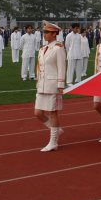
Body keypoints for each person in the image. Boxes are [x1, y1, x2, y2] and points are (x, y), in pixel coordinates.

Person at [34, 21, 67, 152]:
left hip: (52, 84)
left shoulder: (58, 48)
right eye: (44, 32)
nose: (45, 34)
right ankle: (57, 130)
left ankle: (53, 142)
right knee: (38, 113)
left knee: (53, 113)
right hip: (42, 84)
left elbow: (62, 67)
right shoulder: (42, 49)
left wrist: (60, 84)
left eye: (47, 32)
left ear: (54, 34)